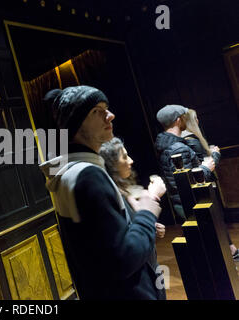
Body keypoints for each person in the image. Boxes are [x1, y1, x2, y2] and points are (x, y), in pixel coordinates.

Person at [39, 85, 162, 300]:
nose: (110, 116)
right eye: (97, 111)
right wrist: (147, 212)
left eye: (107, 108)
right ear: (75, 123)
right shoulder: (88, 175)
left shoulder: (70, 172)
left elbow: (102, 249)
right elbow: (123, 260)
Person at [99, 137, 167, 299]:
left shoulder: (124, 190)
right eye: (124, 157)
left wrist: (151, 226)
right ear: (111, 164)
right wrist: (153, 197)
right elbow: (125, 246)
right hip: (138, 280)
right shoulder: (112, 195)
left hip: (149, 267)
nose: (131, 160)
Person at [181, 109, 239, 260]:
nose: (198, 121)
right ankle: (230, 251)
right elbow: (206, 164)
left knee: (218, 219)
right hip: (205, 184)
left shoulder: (187, 139)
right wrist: (216, 154)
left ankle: (231, 249)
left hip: (205, 183)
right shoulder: (191, 140)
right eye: (196, 118)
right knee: (216, 219)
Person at [154, 105, 215, 223]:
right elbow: (186, 183)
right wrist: (206, 168)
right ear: (178, 120)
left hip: (182, 202)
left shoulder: (169, 144)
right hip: (191, 203)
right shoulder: (178, 148)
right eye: (184, 117)